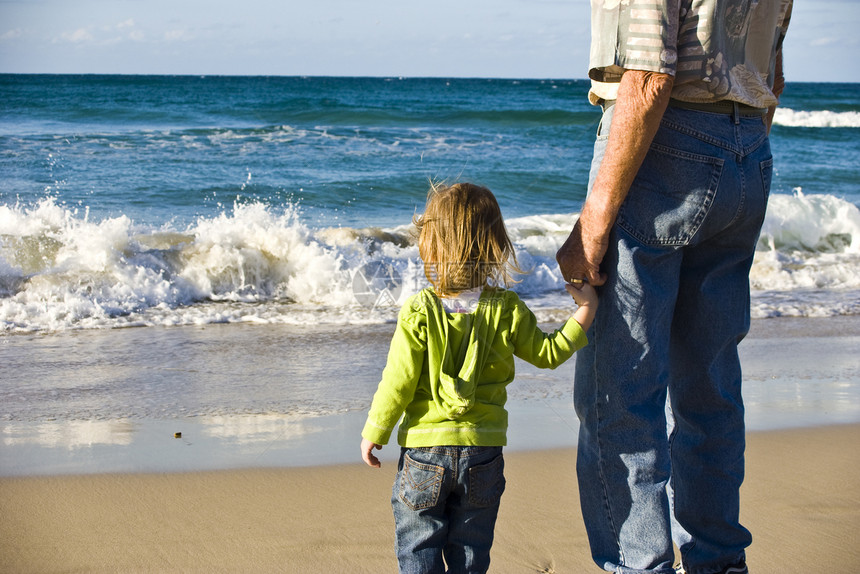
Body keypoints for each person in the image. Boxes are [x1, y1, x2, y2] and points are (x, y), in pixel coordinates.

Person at [555, 1, 792, 573]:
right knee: (708, 388)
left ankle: (639, 565)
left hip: (665, 142)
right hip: (747, 147)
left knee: (619, 394)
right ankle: (718, 559)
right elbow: (773, 70)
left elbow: (649, 77)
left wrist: (591, 226)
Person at [361, 182, 598, 574]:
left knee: (418, 548)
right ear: (494, 245)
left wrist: (376, 431)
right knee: (470, 553)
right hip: (483, 453)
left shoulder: (419, 310)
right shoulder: (507, 309)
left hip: (424, 452)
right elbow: (548, 353)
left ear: (431, 245)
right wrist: (586, 308)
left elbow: (398, 382)